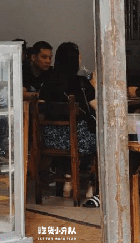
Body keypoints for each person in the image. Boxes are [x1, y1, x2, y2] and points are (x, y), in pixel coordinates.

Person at [38, 42, 98, 204]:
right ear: (75, 60)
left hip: (50, 140)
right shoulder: (81, 83)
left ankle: (67, 178)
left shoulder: (47, 82)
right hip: (76, 141)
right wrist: (94, 86)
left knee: (82, 133)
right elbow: (97, 107)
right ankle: (91, 183)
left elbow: (40, 107)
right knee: (98, 137)